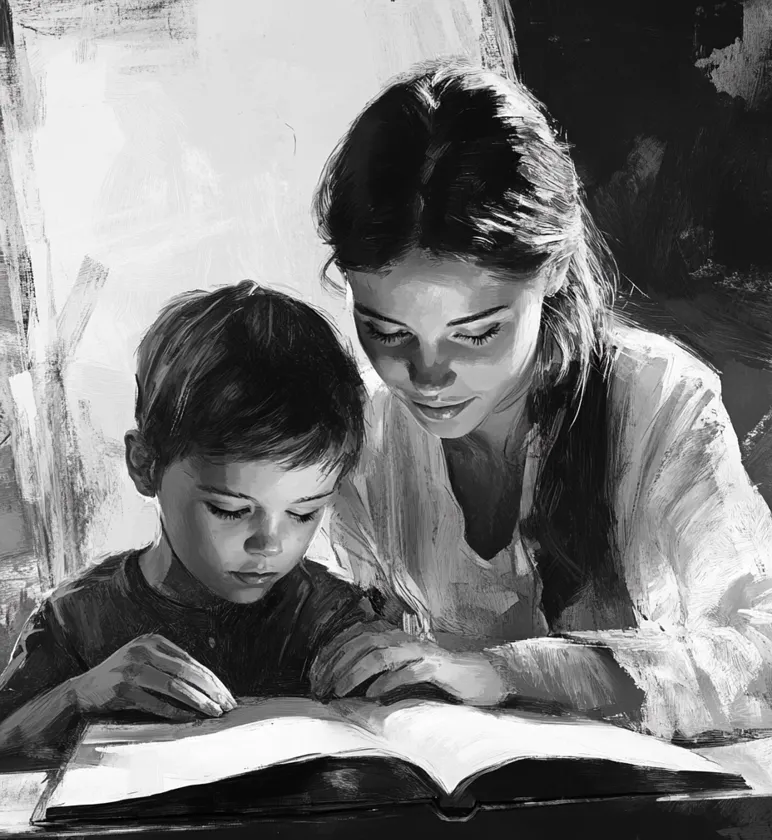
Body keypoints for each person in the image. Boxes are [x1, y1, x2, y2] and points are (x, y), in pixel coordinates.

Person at [309, 60, 772, 740]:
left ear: (552, 269)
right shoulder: (369, 438)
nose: (427, 375)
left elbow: (760, 659)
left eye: (477, 332)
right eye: (385, 331)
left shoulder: (656, 404)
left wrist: (507, 674)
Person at [0, 281, 377, 757]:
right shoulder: (77, 619)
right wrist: (78, 697)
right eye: (230, 510)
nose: (270, 544)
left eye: (304, 512)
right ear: (145, 466)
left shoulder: (327, 613)